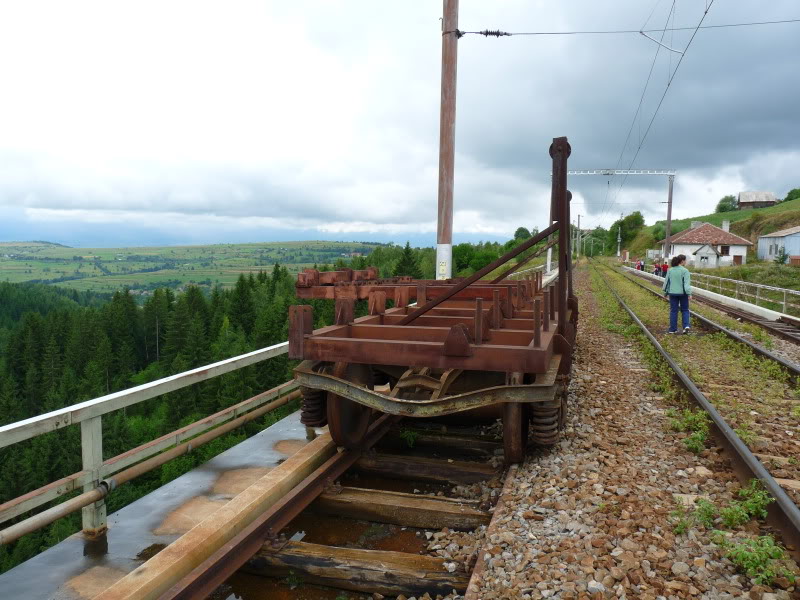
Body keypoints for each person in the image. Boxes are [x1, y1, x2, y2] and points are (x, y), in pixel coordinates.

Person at [662, 254, 692, 334]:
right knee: (685, 310)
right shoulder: (685, 271)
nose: (686, 262)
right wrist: (689, 294)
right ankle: (686, 326)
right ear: (682, 261)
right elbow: (686, 284)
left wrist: (665, 292)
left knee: (673, 311)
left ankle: (672, 329)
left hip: (673, 293)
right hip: (683, 294)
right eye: (685, 260)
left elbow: (667, 283)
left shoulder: (670, 270)